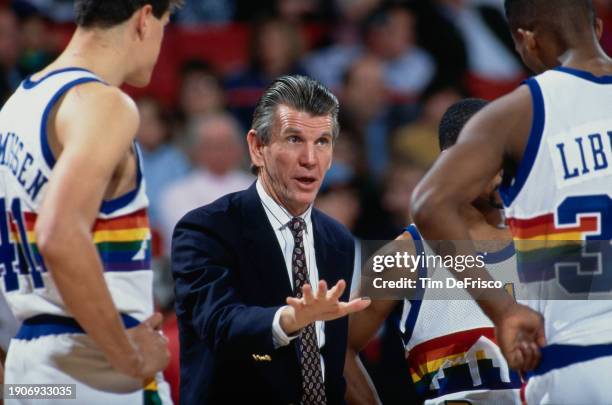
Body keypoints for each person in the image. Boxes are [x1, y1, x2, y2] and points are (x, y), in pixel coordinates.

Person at [411, 1, 612, 403]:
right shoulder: (400, 256)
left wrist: (503, 310)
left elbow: (429, 204)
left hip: (577, 360)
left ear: (525, 39)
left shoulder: (518, 112)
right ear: (599, 25)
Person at [0, 1, 182, 403]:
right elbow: (59, 234)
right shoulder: (103, 103)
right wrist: (129, 358)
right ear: (143, 19)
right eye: (164, 24)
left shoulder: (16, 106)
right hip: (95, 366)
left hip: (28, 364)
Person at [172, 75, 370, 404]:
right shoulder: (206, 229)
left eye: (322, 141)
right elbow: (220, 324)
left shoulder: (338, 240)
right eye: (294, 139)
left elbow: (331, 366)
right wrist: (292, 319)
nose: (310, 158)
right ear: (257, 147)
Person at [345, 99, 521, 405]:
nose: (504, 168)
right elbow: (337, 349)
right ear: (452, 160)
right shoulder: (405, 255)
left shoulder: (541, 237)